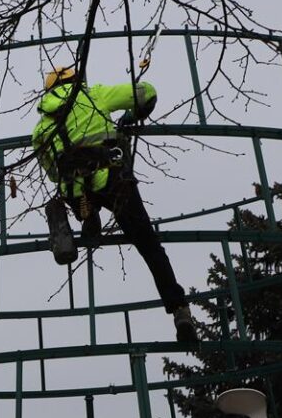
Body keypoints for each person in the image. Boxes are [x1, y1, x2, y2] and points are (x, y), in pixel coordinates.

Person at [32, 66, 198, 345]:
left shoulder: (40, 129)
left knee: (77, 189)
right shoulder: (95, 96)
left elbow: (51, 173)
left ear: (49, 91)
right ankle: (179, 309)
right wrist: (131, 116)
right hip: (114, 182)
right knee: (148, 244)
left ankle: (88, 214)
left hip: (75, 189)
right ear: (78, 82)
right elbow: (147, 93)